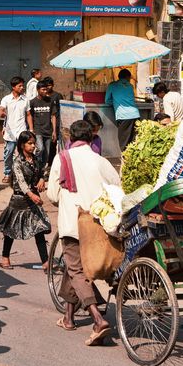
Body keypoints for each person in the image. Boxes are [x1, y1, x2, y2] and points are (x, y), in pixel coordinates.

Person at [47, 119, 120, 345]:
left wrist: (66, 200)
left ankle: (97, 319)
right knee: (73, 268)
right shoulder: (100, 161)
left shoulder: (62, 158)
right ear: (91, 139)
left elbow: (51, 193)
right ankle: (68, 317)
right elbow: (116, 186)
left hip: (72, 223)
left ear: (71, 139)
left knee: (76, 270)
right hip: (98, 224)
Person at [0, 131, 51, 270]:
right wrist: (32, 195)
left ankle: (46, 262)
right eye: (30, 143)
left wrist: (41, 180)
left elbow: (41, 172)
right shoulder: (17, 163)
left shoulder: (36, 159)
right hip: (19, 200)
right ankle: (5, 258)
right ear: (22, 145)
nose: (33, 146)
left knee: (39, 229)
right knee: (10, 231)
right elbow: (21, 183)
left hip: (32, 200)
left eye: (34, 143)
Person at [27, 76, 62, 179]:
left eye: (46, 89)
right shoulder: (33, 102)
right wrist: (31, 130)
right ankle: (35, 166)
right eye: (43, 89)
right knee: (40, 149)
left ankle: (40, 171)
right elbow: (30, 116)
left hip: (48, 130)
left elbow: (53, 116)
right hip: (38, 130)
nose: (45, 91)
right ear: (38, 90)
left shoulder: (50, 101)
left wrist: (54, 131)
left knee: (46, 153)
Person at [0, 76, 29, 183]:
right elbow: (1, 110)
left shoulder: (26, 100)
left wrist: (31, 129)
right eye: (19, 86)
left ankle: (22, 174)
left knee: (23, 154)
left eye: (22, 85)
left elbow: (28, 115)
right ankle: (7, 173)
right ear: (13, 87)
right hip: (10, 133)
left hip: (22, 131)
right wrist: (1, 113)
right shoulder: (6, 99)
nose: (22, 87)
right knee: (8, 154)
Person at [104, 68, 139, 151]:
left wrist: (115, 102)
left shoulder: (112, 85)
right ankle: (130, 162)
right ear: (127, 77)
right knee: (133, 142)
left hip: (123, 116)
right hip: (135, 115)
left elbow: (107, 101)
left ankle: (124, 162)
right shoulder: (130, 86)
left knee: (124, 142)